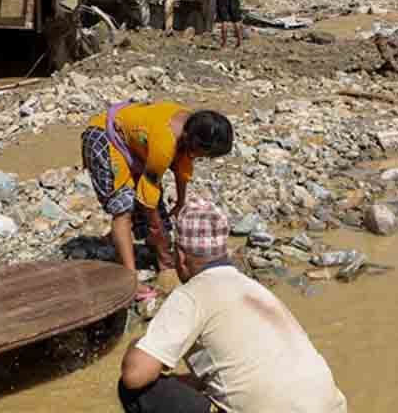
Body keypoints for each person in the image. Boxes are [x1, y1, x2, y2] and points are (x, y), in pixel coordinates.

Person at [118, 201, 349, 413]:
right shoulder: (253, 289)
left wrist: (136, 345)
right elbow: (247, 369)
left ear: (180, 255)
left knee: (137, 391)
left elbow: (134, 375)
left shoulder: (192, 295)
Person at [82, 103, 233, 300]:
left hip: (133, 144)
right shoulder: (165, 142)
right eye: (204, 155)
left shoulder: (193, 126)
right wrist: (158, 235)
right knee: (123, 207)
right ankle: (130, 280)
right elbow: (148, 196)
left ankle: (119, 239)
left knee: (156, 212)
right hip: (105, 136)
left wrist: (180, 202)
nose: (202, 158)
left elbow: (183, 167)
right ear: (192, 141)